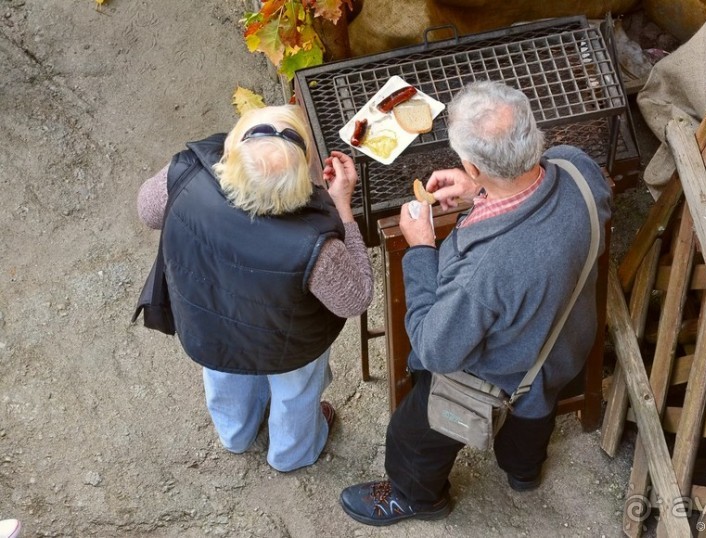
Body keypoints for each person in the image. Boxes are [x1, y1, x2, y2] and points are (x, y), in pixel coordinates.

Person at [339, 80, 612, 525]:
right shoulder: (577, 166)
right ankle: (523, 473)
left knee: (411, 433)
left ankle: (417, 497)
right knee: (532, 414)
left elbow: (434, 348)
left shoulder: (484, 271)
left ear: (474, 164)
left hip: (501, 372)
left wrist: (422, 248)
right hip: (565, 346)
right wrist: (477, 190)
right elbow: (570, 202)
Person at [137, 104, 373, 472]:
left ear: (232, 152)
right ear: (303, 180)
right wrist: (344, 208)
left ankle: (236, 434)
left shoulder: (184, 174)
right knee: (295, 393)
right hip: (288, 340)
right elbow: (354, 298)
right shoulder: (315, 243)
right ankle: (291, 454)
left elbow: (147, 211)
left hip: (210, 318)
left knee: (224, 375)